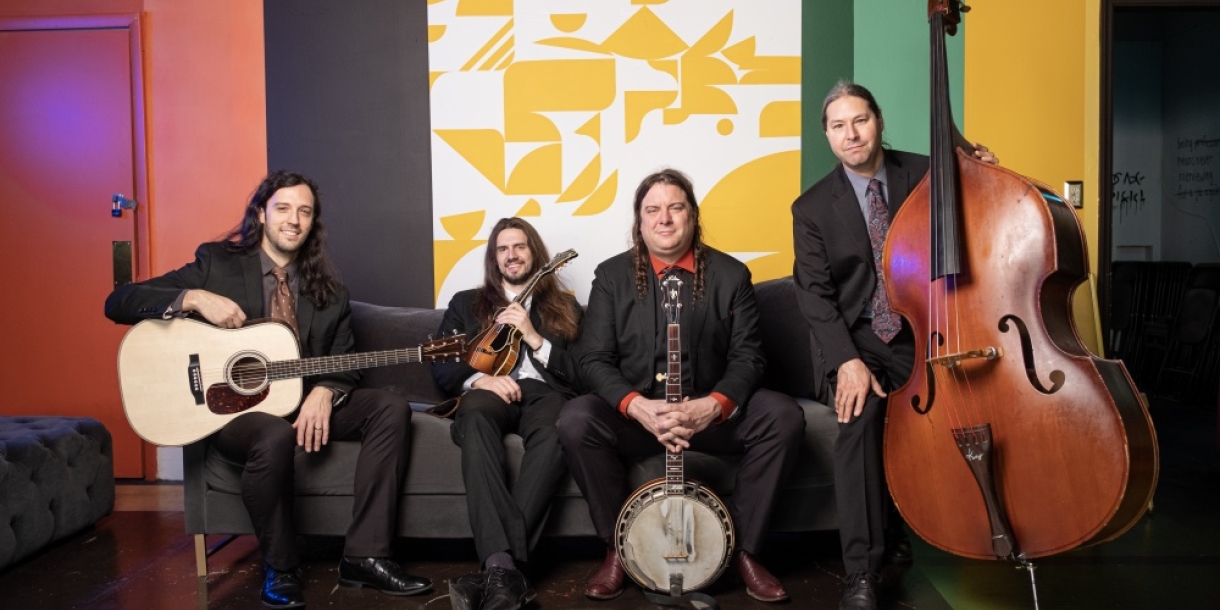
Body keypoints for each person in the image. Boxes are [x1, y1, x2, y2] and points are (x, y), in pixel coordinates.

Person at [104, 171, 431, 608]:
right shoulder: (216, 264)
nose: (293, 219)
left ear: (312, 224)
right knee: (272, 435)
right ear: (261, 213)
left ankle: (365, 556)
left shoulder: (329, 293)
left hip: (301, 402)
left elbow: (344, 364)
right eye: (283, 208)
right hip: (233, 412)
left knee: (390, 406)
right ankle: (281, 566)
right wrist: (194, 299)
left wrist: (327, 392)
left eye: (304, 212)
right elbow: (119, 300)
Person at [791, 81, 996, 610]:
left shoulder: (930, 172)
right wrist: (848, 362)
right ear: (827, 136)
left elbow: (989, 218)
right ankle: (861, 570)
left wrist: (988, 175)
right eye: (838, 126)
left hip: (926, 326)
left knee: (973, 402)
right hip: (856, 337)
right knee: (857, 420)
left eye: (859, 120)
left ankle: (987, 528)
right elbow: (815, 297)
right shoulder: (811, 207)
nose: (850, 133)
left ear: (879, 121)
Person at [556, 168, 804, 603]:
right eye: (652, 210)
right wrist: (637, 406)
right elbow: (592, 360)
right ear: (639, 221)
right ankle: (619, 547)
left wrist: (713, 405)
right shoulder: (611, 277)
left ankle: (745, 549)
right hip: (637, 420)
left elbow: (750, 357)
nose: (664, 218)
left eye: (675, 207)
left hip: (708, 417)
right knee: (576, 419)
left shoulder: (730, 275)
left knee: (783, 416)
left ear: (692, 215)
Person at [431, 217, 583, 610]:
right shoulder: (466, 303)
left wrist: (533, 335)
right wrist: (480, 380)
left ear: (534, 252)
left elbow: (581, 373)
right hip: (489, 392)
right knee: (476, 419)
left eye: (519, 247)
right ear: (493, 258)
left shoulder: (564, 307)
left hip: (544, 392)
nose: (511, 255)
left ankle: (497, 570)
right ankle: (508, 571)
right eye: (502, 248)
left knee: (558, 431)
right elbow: (443, 367)